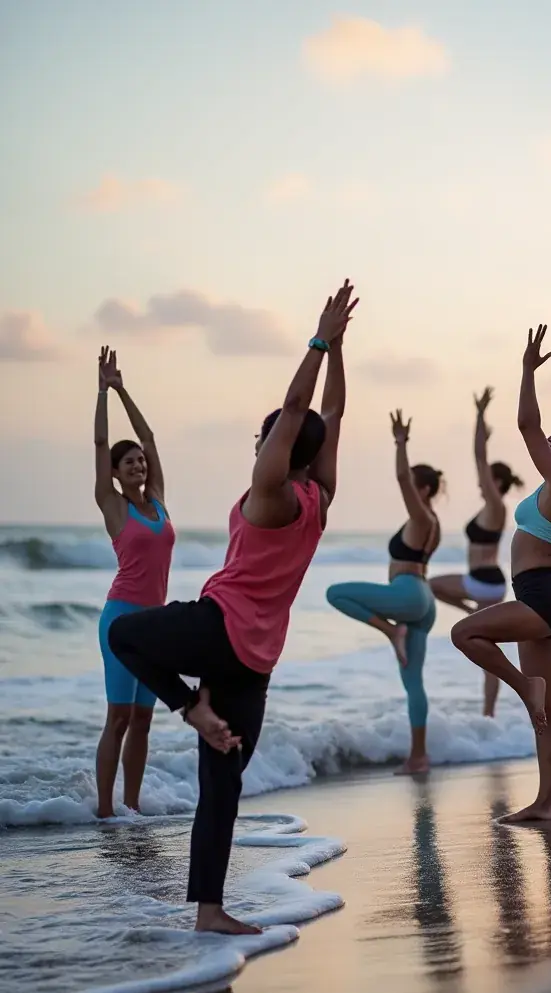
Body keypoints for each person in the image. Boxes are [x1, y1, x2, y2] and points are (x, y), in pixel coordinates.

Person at [108, 280, 358, 934]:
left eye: (266, 435)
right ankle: (210, 912)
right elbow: (330, 412)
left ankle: (190, 709)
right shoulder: (319, 498)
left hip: (218, 628)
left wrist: (319, 339)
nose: (259, 441)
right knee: (222, 787)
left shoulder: (271, 493)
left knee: (126, 635)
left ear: (279, 446)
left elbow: (303, 406)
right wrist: (339, 350)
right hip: (256, 663)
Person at [450, 324, 551, 823]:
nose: (549, 437)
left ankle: (523, 687)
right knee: (546, 712)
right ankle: (547, 802)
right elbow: (533, 429)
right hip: (548, 596)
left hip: (541, 596)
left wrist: (526, 370)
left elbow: (524, 424)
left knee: (464, 632)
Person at [326, 411, 442, 775]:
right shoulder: (433, 524)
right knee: (414, 684)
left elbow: (400, 478)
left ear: (422, 490)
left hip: (407, 596)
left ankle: (392, 631)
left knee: (335, 593)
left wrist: (401, 443)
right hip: (423, 600)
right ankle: (418, 757)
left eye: (415, 486)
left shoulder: (421, 517)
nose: (410, 489)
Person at [93, 346, 176, 819]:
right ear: (115, 474)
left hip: (155, 623)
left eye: (141, 463)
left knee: (144, 719)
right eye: (130, 464)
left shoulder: (158, 501)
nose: (139, 466)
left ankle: (132, 805)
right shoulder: (113, 505)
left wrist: (125, 388)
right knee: (119, 716)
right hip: (121, 619)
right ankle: (105, 813)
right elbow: (102, 446)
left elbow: (148, 436)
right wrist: (102, 392)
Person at [429, 387, 523, 717]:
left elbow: (480, 459)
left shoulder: (496, 506)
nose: (480, 483)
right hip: (484, 581)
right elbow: (482, 464)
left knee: (431, 586)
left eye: (486, 480)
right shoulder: (490, 507)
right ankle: (489, 715)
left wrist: (481, 416)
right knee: (486, 649)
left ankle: (470, 612)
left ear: (496, 483)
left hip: (484, 581)